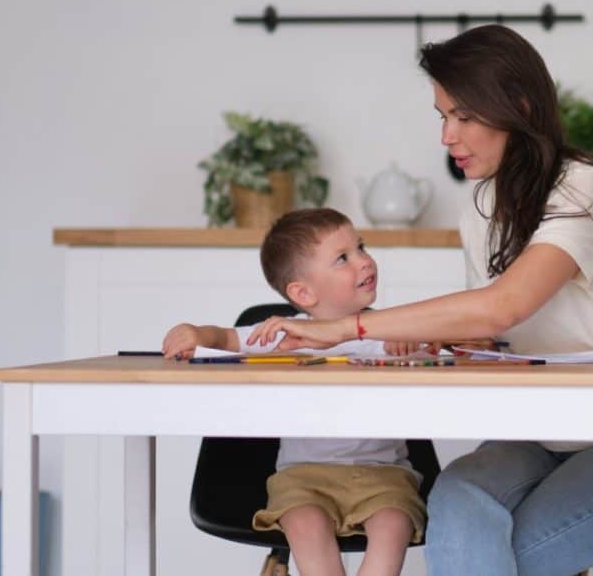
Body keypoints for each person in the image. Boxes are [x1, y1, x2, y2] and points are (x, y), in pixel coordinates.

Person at [246, 25, 593, 576]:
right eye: (442, 117)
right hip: (530, 440)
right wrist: (441, 340)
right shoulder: (482, 207)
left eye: (462, 117)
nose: (446, 137)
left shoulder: (582, 185)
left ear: (517, 107)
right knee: (455, 510)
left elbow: (504, 304)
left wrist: (347, 327)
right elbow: (490, 330)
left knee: (491, 559)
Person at [161, 208, 426, 576]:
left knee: (393, 526)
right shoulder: (284, 335)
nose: (364, 261)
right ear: (303, 292)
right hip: (303, 478)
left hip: (384, 476)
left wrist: (413, 343)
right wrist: (196, 333)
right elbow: (224, 338)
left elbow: (441, 353)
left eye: (361, 247)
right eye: (343, 258)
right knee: (304, 525)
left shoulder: (391, 329)